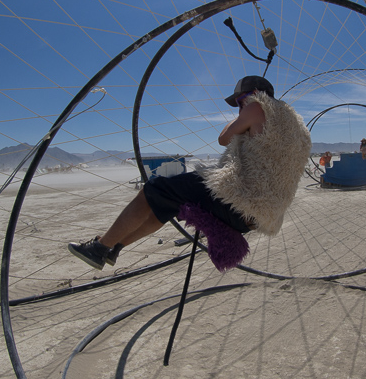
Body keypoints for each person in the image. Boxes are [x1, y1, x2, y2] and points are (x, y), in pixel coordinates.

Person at [67, 76, 312, 270]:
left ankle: (99, 248)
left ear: (251, 95)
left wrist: (240, 116)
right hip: (260, 216)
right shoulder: (297, 126)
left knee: (154, 189)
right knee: (168, 205)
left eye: (239, 101)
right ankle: (117, 246)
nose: (240, 107)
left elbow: (223, 138)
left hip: (239, 198)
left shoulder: (257, 107)